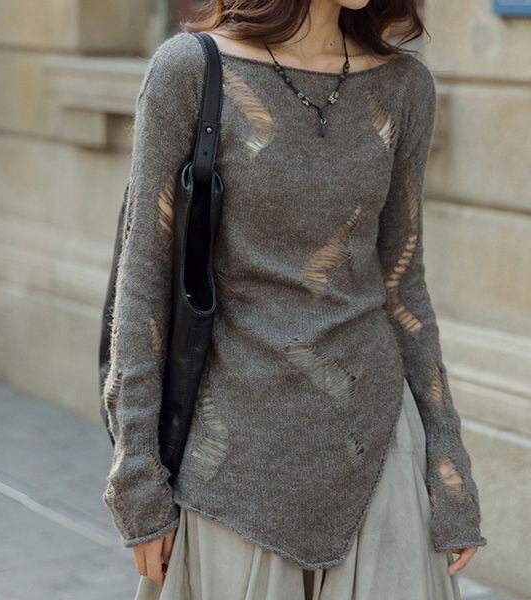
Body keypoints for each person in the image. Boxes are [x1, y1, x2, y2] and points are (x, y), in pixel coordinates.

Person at [101, 1, 488, 598]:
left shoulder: (404, 85)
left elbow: (402, 284)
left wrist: (447, 457)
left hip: (380, 447)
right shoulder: (190, 71)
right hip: (234, 466)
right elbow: (142, 283)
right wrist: (137, 478)